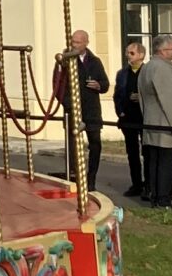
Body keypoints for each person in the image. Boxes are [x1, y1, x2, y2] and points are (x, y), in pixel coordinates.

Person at [136, 35, 172, 208]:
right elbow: (170, 99)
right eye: (171, 49)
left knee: (153, 162)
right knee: (165, 163)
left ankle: (154, 195)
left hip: (152, 121)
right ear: (162, 50)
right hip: (165, 123)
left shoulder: (147, 67)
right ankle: (163, 198)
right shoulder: (163, 68)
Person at [52, 30, 110, 192]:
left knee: (95, 144)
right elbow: (57, 85)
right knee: (73, 145)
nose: (74, 45)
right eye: (73, 42)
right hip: (73, 110)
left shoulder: (95, 61)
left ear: (86, 43)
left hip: (92, 110)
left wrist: (99, 85)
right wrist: (68, 103)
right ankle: (75, 177)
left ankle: (91, 179)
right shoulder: (65, 60)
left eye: (78, 42)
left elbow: (105, 84)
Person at [112, 38, 147, 198]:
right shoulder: (122, 73)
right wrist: (120, 112)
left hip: (145, 118)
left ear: (141, 55)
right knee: (132, 153)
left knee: (147, 152)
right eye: (127, 53)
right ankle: (136, 184)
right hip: (128, 118)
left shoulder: (147, 72)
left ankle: (149, 184)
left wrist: (142, 97)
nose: (129, 56)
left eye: (132, 53)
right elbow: (117, 95)